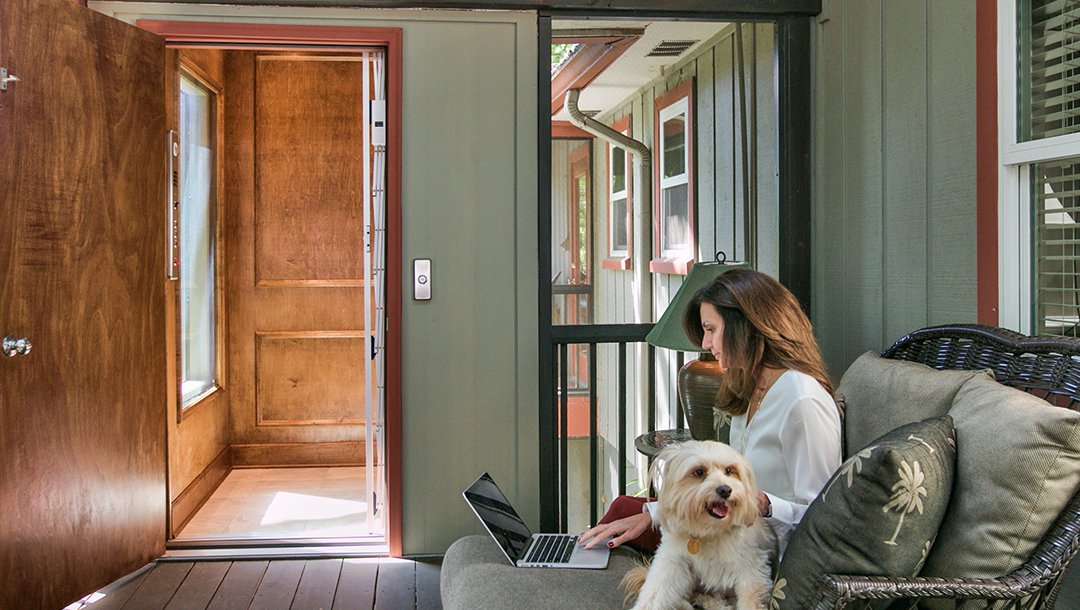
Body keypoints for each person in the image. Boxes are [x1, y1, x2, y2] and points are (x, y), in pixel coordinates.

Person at [578, 268, 842, 557]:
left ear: (745, 325)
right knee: (625, 510)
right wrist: (653, 514)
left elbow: (824, 520)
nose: (705, 344)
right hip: (724, 527)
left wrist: (766, 505)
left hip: (756, 552)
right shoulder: (751, 389)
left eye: (711, 329)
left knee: (628, 519)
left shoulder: (803, 402)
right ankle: (576, 569)